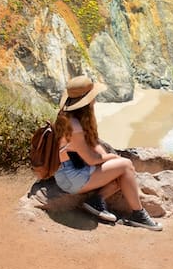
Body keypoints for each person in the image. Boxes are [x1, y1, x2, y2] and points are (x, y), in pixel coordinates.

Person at [52, 75, 163, 231]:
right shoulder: (74, 125)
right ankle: (138, 214)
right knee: (126, 166)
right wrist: (112, 158)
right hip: (71, 178)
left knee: (123, 174)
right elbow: (91, 159)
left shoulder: (69, 117)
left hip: (73, 173)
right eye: (93, 97)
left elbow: (93, 143)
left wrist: (108, 160)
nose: (95, 100)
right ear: (86, 102)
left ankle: (96, 200)